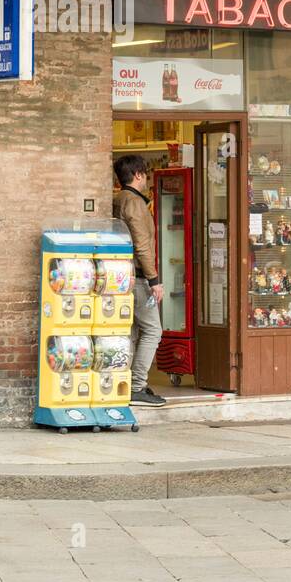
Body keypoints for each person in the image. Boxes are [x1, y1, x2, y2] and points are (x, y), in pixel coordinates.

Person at [113, 154, 166, 406]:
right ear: (138, 175)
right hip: (138, 276)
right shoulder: (134, 202)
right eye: (145, 174)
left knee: (133, 331)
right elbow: (142, 245)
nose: (146, 178)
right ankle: (136, 385)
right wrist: (154, 280)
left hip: (124, 275)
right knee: (153, 329)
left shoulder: (119, 199)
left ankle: (125, 383)